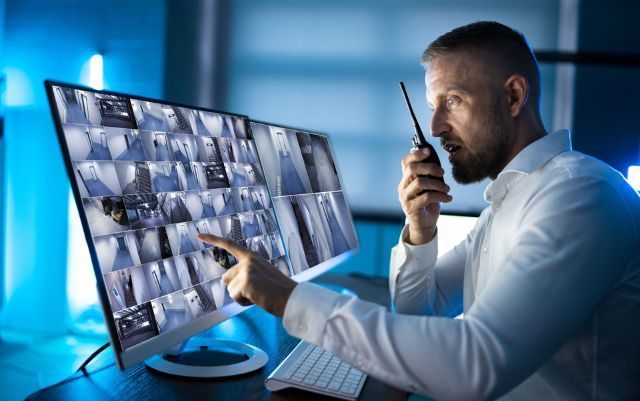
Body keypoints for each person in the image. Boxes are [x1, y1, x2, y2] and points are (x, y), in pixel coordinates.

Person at [198, 21, 640, 400]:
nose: (435, 128)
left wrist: (290, 297)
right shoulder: (510, 202)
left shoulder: (578, 196)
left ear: (513, 96)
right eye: (432, 108)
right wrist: (420, 230)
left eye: (452, 101)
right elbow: (416, 314)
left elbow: (475, 366)